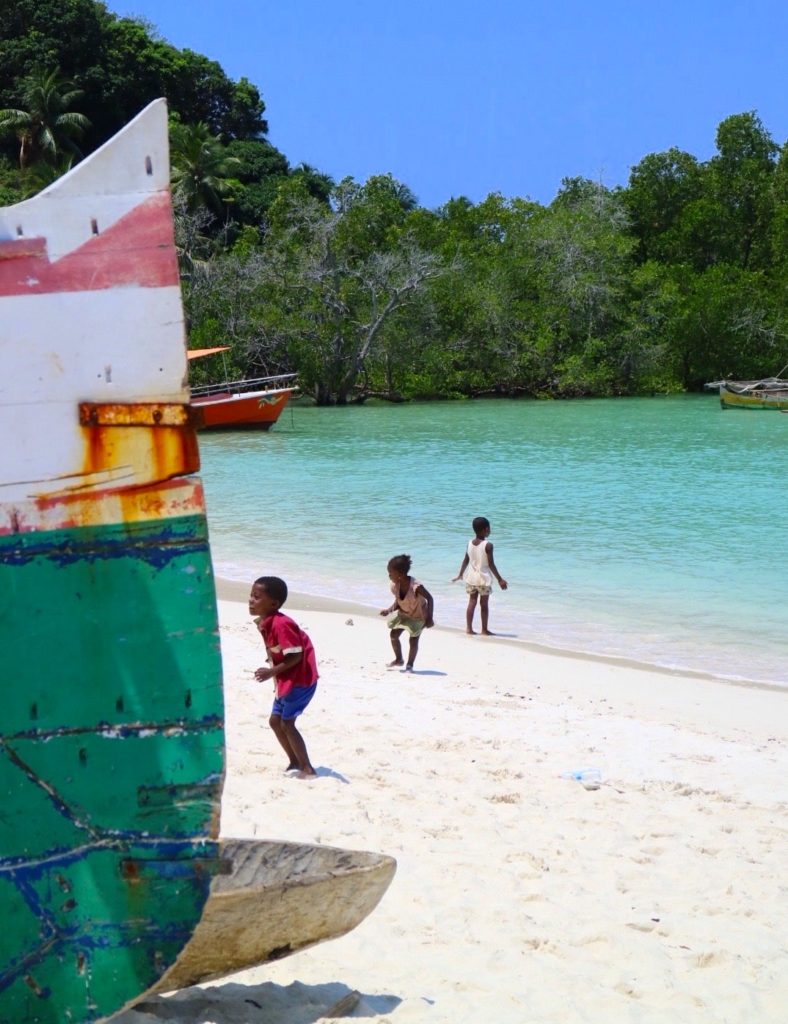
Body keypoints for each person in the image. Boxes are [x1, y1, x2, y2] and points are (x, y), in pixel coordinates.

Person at [248, 575, 318, 778]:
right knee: (274, 721)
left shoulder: (281, 624)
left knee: (287, 723)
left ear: (273, 603)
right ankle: (294, 760)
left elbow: (296, 655)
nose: (251, 600)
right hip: (285, 679)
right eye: (251, 595)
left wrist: (270, 671)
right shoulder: (266, 622)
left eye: (256, 597)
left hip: (300, 680)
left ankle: (307, 768)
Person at [452, 516, 508, 635]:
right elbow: (491, 564)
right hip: (483, 579)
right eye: (489, 528)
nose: (490, 530)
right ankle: (484, 629)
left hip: (471, 578)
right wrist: (500, 579)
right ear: (485, 529)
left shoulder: (469, 543)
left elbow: (466, 560)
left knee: (472, 602)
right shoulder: (488, 545)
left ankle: (469, 628)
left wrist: (460, 574)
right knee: (484, 605)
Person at [380, 554, 434, 670]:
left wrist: (429, 618)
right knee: (394, 635)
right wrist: (389, 610)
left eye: (390, 573)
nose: (389, 575)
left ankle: (410, 665)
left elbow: (430, 598)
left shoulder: (416, 586)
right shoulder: (395, 585)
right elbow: (398, 601)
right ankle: (399, 659)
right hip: (404, 613)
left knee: (413, 640)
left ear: (400, 574)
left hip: (418, 616)